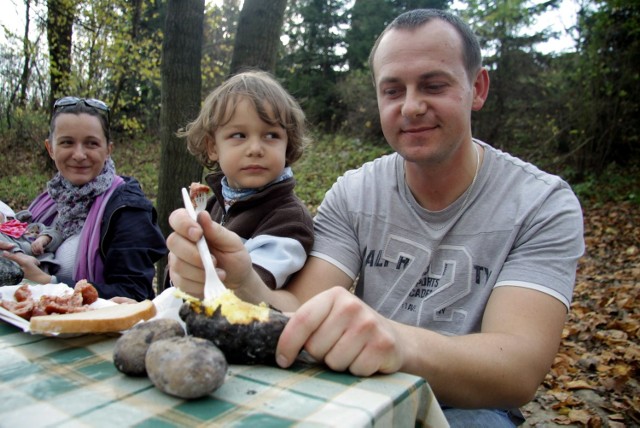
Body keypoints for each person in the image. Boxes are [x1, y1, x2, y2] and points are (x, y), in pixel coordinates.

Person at [165, 9, 584, 427]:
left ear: (477, 88)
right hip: (359, 392)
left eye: (433, 85)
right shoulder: (355, 192)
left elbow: (516, 371)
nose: (412, 107)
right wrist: (242, 281)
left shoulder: (540, 203)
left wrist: (397, 342)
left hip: (471, 407)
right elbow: (295, 308)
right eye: (393, 90)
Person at [0, 97, 167, 301]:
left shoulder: (127, 209)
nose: (79, 154)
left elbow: (134, 295)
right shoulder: (50, 201)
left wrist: (48, 283)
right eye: (67, 142)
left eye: (91, 143)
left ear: (108, 150)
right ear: (50, 149)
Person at [170, 70, 314, 290]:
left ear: (288, 145)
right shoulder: (212, 206)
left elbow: (247, 290)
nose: (255, 149)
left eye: (271, 135)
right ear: (212, 147)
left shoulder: (289, 219)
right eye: (239, 135)